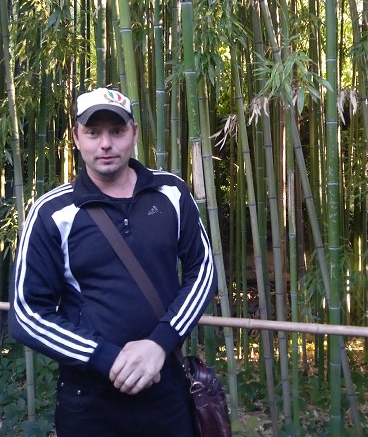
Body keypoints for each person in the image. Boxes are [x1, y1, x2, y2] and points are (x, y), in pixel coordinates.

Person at [9, 87, 217, 437]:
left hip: (165, 387)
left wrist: (161, 341)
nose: (105, 144)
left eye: (117, 131)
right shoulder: (52, 212)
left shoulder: (171, 192)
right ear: (76, 137)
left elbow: (204, 272)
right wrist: (105, 358)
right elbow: (27, 314)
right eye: (93, 132)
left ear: (134, 133)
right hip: (88, 399)